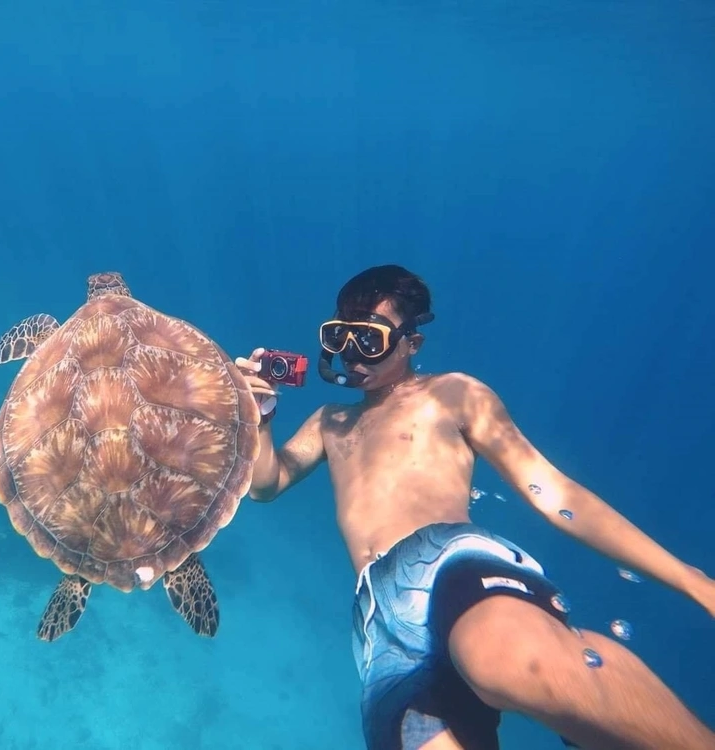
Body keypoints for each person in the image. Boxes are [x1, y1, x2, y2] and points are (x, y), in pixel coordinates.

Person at [236, 264, 715, 750]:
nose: (351, 356)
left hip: (449, 558)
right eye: (340, 337)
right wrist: (260, 418)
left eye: (370, 339)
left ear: (410, 344)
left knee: (516, 664)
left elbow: (554, 493)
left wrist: (691, 581)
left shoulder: (452, 392)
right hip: (377, 615)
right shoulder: (328, 421)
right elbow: (267, 484)